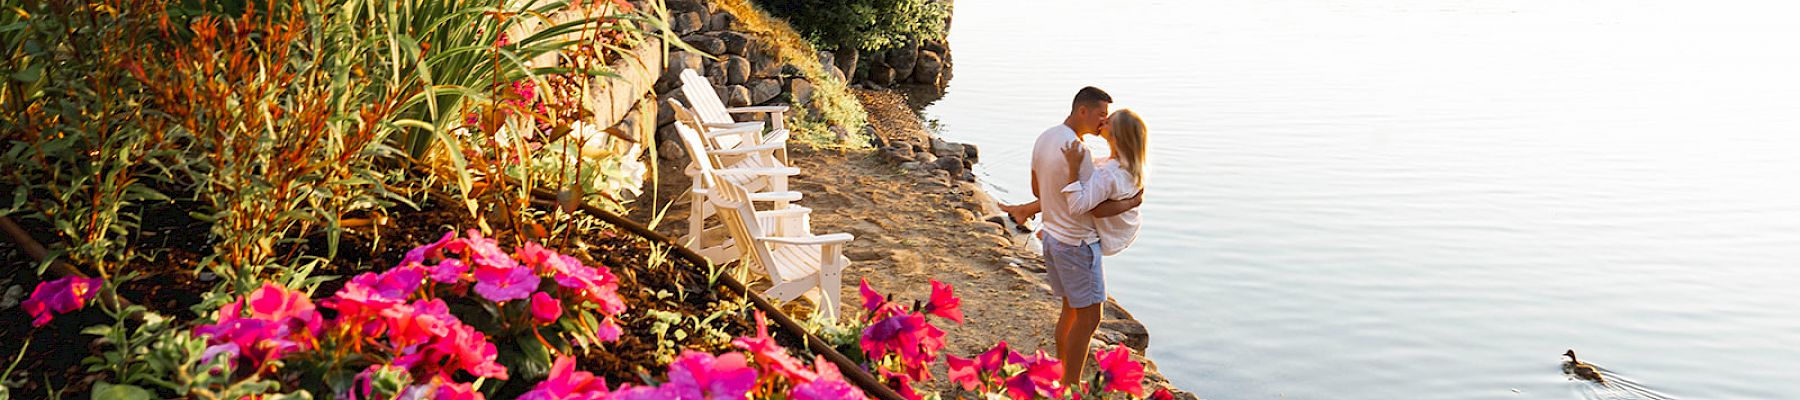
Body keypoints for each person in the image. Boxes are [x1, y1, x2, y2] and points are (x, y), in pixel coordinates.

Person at [1028, 86, 1144, 388]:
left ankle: (1060, 372)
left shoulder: (1047, 137)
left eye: (1108, 119)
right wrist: (1129, 203)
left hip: (1053, 237)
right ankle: (1070, 384)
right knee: (1089, 319)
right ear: (1084, 111)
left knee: (1070, 310)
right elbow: (1084, 207)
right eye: (1101, 115)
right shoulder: (1082, 156)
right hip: (1076, 245)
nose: (1103, 122)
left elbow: (1037, 190)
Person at [1059, 108, 1147, 257]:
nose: (1102, 121)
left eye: (1107, 122)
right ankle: (1028, 211)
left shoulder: (1108, 174)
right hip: (1126, 231)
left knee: (1071, 184)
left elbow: (1078, 206)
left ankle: (1031, 214)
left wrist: (1073, 168)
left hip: (1112, 237)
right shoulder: (1132, 166)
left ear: (1116, 136)